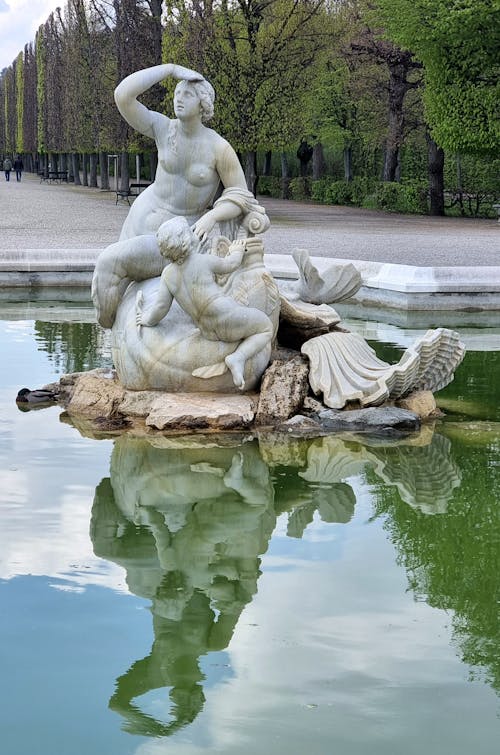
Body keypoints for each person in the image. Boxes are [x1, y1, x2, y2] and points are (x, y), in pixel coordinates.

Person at [92, 64, 267, 328]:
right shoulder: (164, 129)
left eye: (187, 94)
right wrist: (169, 69)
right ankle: (112, 336)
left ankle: (109, 328)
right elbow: (123, 96)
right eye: (177, 92)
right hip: (138, 222)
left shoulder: (219, 147)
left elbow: (241, 197)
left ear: (203, 103)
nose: (178, 97)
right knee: (111, 281)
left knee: (108, 263)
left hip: (173, 240)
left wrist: (212, 217)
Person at [135, 217, 274, 390]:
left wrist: (147, 319)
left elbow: (160, 308)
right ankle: (238, 357)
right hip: (226, 317)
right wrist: (237, 250)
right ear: (187, 239)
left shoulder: (168, 275)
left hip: (207, 330)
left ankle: (237, 355)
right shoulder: (203, 261)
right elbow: (230, 264)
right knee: (266, 327)